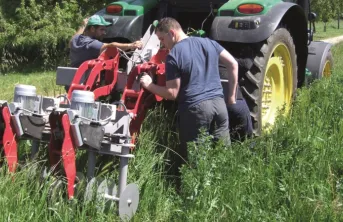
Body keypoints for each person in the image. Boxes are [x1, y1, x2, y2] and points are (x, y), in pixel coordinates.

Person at [139, 17, 238, 172]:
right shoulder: (209, 43)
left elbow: (171, 93)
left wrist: (149, 85)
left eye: (162, 39)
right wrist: (231, 97)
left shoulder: (174, 55)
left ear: (172, 33)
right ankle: (224, 190)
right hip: (220, 106)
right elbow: (233, 64)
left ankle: (195, 194)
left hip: (196, 110)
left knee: (194, 162)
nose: (162, 44)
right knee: (222, 156)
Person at [69, 15, 143, 68]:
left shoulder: (75, 39)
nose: (104, 33)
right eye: (101, 29)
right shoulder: (92, 44)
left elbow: (75, 36)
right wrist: (131, 45)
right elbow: (111, 46)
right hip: (85, 81)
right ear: (92, 29)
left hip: (72, 79)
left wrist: (83, 25)